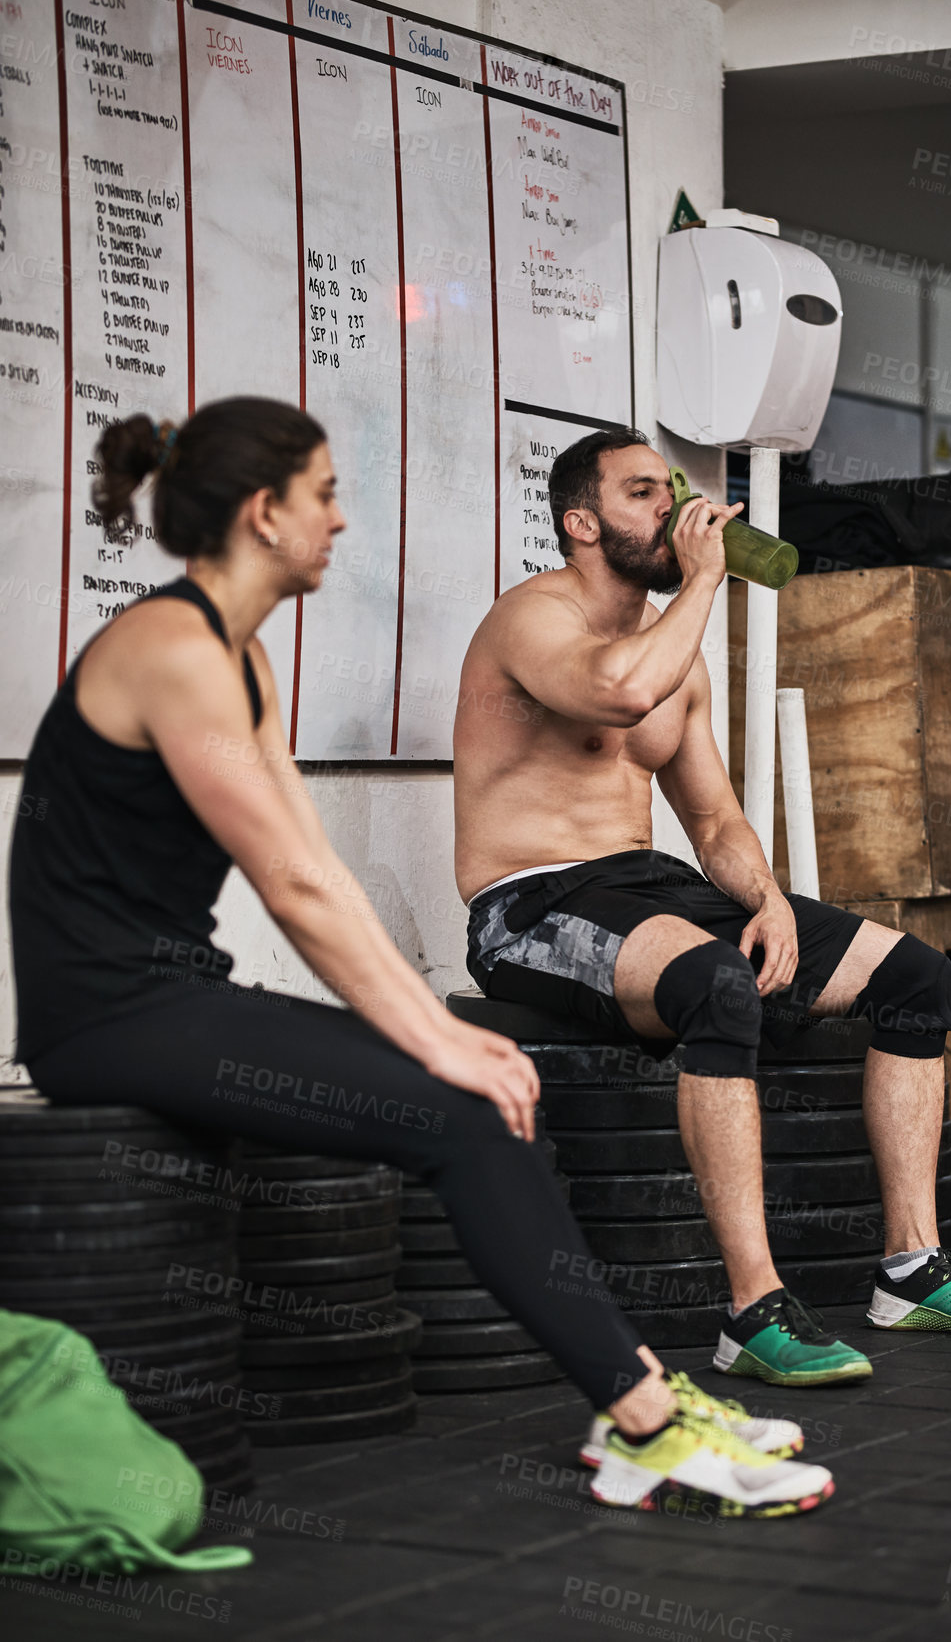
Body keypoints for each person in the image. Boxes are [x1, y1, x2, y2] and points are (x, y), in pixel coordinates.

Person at [6, 397, 837, 1521]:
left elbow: (315, 872)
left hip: (169, 993)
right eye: (325, 495)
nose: (341, 522)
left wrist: (437, 1037)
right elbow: (297, 890)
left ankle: (636, 1402)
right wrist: (442, 1038)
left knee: (468, 1095)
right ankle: (643, 1420)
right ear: (265, 513)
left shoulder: (230, 657)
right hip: (106, 1016)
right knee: (466, 1110)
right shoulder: (172, 647)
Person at [453, 427, 951, 1389]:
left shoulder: (674, 654)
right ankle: (753, 1309)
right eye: (643, 492)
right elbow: (618, 690)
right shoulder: (532, 620)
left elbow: (714, 815)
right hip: (530, 900)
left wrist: (767, 897)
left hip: (645, 882)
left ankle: (910, 1268)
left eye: (670, 488)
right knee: (719, 986)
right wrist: (703, 579)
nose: (676, 507)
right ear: (581, 522)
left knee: (913, 974)